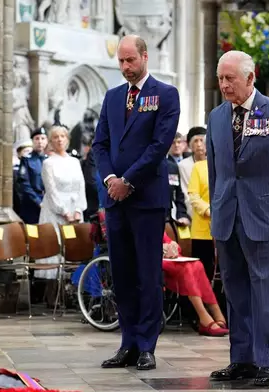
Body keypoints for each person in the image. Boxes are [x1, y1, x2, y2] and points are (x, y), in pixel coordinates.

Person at [206, 50, 269, 387]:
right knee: (235, 292)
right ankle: (242, 360)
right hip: (227, 216)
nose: (223, 85)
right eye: (220, 78)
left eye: (229, 78)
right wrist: (216, 209)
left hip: (265, 217)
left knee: (266, 292)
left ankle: (267, 363)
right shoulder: (217, 117)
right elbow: (216, 170)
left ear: (250, 78)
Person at [92, 34, 180, 371]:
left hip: (145, 198)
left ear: (145, 56)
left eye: (131, 60)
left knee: (147, 273)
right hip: (115, 199)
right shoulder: (113, 97)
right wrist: (110, 180)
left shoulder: (165, 94)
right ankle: (127, 342)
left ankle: (147, 344)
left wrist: (127, 181)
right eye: (121, 62)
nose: (126, 67)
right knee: (123, 274)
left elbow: (159, 146)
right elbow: (100, 145)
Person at [34, 125, 86, 281]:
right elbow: (51, 190)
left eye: (62, 136)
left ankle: (72, 288)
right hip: (55, 211)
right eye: (55, 137)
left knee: (74, 249)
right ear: (51, 141)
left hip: (74, 209)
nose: (59, 140)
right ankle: (53, 292)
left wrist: (78, 209)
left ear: (67, 139)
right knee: (56, 247)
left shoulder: (75, 162)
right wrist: (64, 212)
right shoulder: (48, 163)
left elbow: (80, 186)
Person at [161, 233, 228, 337]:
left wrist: (173, 246)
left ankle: (216, 312)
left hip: (168, 260)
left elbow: (174, 246)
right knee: (187, 269)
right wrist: (162, 249)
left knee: (198, 265)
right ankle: (204, 317)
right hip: (151, 261)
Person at [18, 128, 47, 224]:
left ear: (46, 141)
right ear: (32, 141)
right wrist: (38, 201)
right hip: (31, 204)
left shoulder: (49, 159)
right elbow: (24, 183)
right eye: (37, 138)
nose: (40, 142)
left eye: (43, 138)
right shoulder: (27, 159)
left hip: (48, 203)